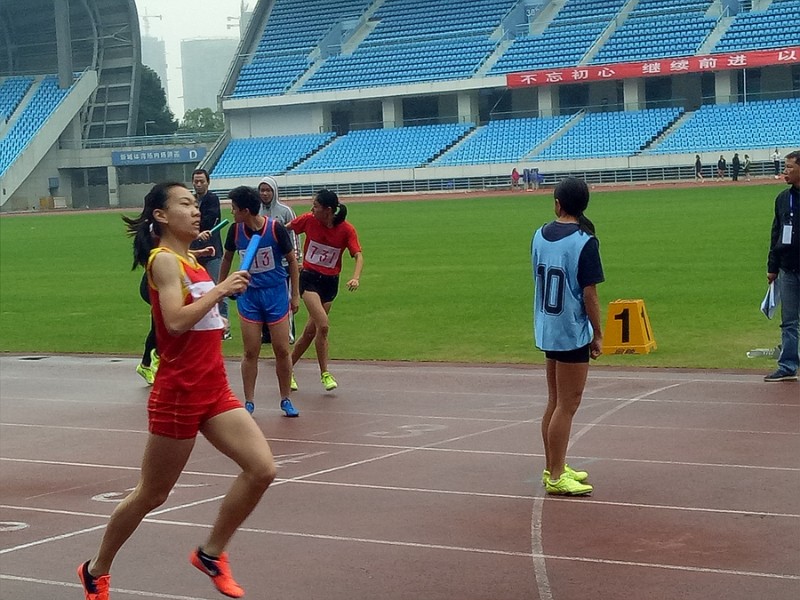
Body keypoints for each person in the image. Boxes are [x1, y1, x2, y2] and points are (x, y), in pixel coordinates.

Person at [78, 182, 277, 600]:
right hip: (179, 393)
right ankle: (96, 569)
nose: (196, 210)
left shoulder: (190, 259)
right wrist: (221, 291)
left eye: (195, 203)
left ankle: (210, 553)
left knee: (262, 469)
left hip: (213, 388)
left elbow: (200, 320)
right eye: (184, 204)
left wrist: (216, 302)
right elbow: (174, 321)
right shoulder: (165, 261)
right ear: (162, 216)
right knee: (152, 494)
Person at [532, 177, 604, 496]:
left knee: (554, 400)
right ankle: (557, 474)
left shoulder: (539, 235)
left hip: (547, 325)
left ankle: (554, 465)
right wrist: (597, 333)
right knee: (568, 403)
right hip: (570, 328)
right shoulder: (584, 241)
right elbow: (590, 294)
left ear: (558, 203)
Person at [219, 185, 301, 416]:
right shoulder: (235, 231)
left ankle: (285, 399)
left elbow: (292, 262)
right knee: (250, 351)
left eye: (234, 209)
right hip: (250, 296)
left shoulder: (274, 229)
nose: (232, 213)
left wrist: (294, 294)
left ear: (245, 210)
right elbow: (226, 259)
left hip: (275, 293)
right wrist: (221, 288)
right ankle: (249, 401)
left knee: (282, 350)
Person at [286, 189, 363, 392]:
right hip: (309, 279)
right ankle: (325, 373)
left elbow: (358, 255)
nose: (312, 209)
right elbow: (282, 230)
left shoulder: (346, 230)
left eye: (316, 206)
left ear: (328, 210)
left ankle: (286, 369)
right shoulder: (308, 220)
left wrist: (355, 277)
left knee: (310, 332)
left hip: (330, 283)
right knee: (324, 325)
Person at [764, 150, 800, 382]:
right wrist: (773, 266)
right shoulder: (782, 198)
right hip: (788, 269)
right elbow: (776, 232)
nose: (784, 171)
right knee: (789, 321)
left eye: (789, 167)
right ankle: (788, 365)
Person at [258, 176, 299, 347]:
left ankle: (288, 334)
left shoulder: (285, 211)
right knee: (263, 299)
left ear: (274, 192)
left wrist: (297, 257)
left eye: (268, 190)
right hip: (263, 264)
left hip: (283, 262)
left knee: (285, 298)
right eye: (262, 190)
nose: (265, 193)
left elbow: (294, 234)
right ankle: (267, 334)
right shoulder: (256, 211)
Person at [189, 169, 229, 337]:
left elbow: (210, 219)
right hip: (194, 250)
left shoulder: (212, 199)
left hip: (212, 251)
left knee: (217, 286)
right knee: (196, 287)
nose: (198, 184)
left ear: (208, 182)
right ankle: (202, 325)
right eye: (196, 181)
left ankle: (224, 325)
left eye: (201, 181)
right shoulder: (190, 200)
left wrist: (198, 230)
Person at [135, 272, 159, 385]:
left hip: (173, 284)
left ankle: (150, 362)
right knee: (161, 326)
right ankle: (152, 361)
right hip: (155, 285)